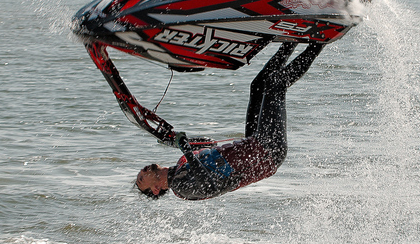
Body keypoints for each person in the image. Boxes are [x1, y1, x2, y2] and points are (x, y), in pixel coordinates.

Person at [135, 41, 323, 200]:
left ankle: (291, 40)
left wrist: (177, 142)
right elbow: (208, 185)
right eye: (142, 179)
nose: (143, 171)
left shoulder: (182, 163)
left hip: (254, 144)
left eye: (140, 174)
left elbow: (210, 143)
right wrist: (185, 148)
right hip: (267, 153)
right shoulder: (181, 188)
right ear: (156, 189)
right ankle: (319, 41)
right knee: (276, 85)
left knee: (258, 86)